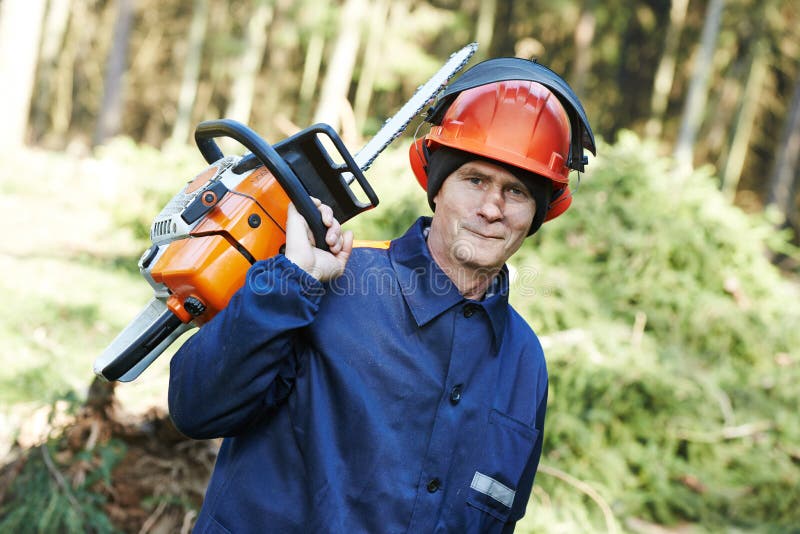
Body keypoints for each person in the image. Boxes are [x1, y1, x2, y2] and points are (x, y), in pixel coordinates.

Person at [168, 57, 595, 533]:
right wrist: (287, 284)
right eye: (474, 180)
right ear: (436, 187)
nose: (491, 208)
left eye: (516, 191)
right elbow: (195, 408)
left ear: (539, 214)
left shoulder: (524, 361)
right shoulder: (326, 284)